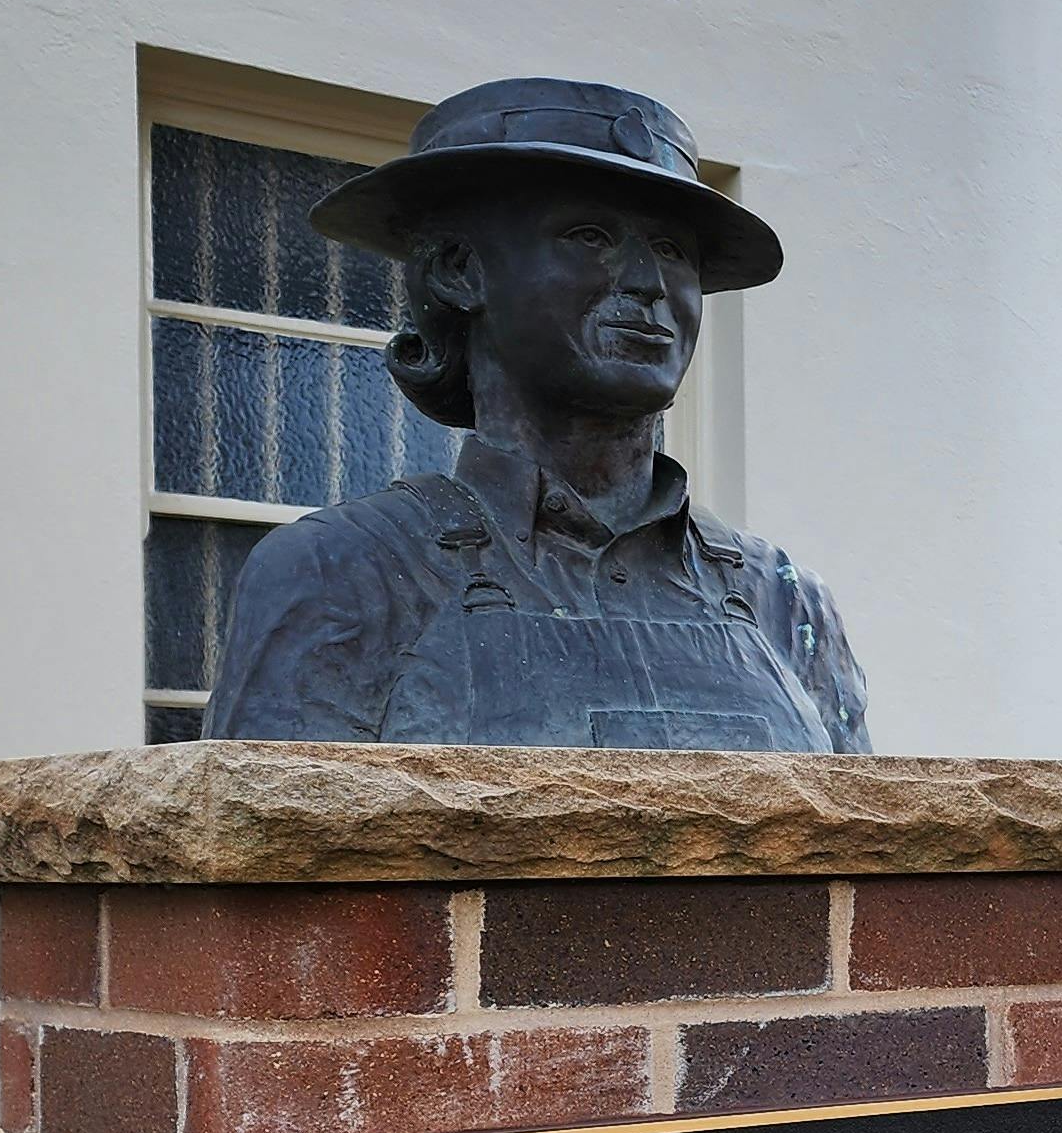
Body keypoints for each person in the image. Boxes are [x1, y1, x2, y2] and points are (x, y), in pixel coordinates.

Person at [204, 79, 869, 750]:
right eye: (589, 236)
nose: (647, 281)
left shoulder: (785, 603)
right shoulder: (342, 574)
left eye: (672, 250)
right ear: (459, 272)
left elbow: (874, 850)